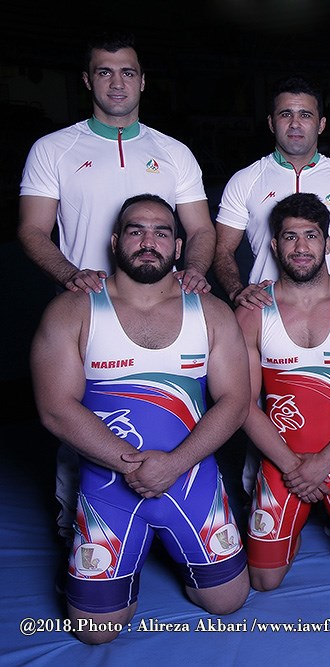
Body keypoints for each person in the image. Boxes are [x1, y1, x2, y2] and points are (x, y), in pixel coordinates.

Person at [18, 33, 218, 541]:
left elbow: (200, 230)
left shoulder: (172, 152)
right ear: (87, 81)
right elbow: (32, 230)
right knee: (80, 426)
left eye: (127, 72)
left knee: (175, 412)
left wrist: (194, 269)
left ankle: (181, 524)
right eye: (104, 72)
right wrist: (70, 275)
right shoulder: (54, 149)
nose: (116, 82)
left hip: (165, 308)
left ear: (143, 82)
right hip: (89, 311)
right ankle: (80, 537)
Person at [30, 194, 250, 644]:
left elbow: (235, 401)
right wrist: (135, 467)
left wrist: (173, 465)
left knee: (228, 601)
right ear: (115, 242)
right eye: (136, 231)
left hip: (190, 481)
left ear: (178, 246)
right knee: (95, 632)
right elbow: (56, 408)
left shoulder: (209, 311)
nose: (149, 242)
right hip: (109, 486)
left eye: (161, 232)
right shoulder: (74, 310)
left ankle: (166, 552)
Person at [237, 193, 330, 589]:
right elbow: (243, 404)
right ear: (274, 245)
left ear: (329, 243)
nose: (301, 247)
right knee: (264, 581)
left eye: (311, 236)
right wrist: (292, 466)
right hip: (281, 458)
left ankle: (329, 521)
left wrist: (322, 462)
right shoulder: (254, 311)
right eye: (290, 237)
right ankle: (300, 525)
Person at [214, 75, 330, 310]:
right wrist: (236, 291)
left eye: (305, 115)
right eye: (286, 114)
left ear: (321, 124)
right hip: (265, 304)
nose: (295, 123)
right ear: (271, 123)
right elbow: (222, 248)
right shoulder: (245, 180)